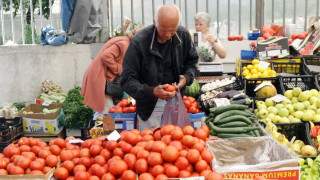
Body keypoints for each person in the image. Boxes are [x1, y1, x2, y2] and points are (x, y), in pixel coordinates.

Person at [120, 5, 199, 131]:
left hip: (175, 101)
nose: (168, 35)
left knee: (175, 143)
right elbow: (126, 80)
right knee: (151, 145)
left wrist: (187, 77)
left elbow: (192, 62)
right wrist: (151, 91)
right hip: (149, 106)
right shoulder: (139, 42)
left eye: (172, 30)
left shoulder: (183, 35)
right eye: (163, 30)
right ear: (154, 22)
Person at [81, 28, 140, 115]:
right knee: (107, 109)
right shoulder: (124, 44)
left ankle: (101, 126)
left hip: (101, 76)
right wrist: (119, 69)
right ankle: (103, 127)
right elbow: (106, 56)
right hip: (100, 78)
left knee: (106, 108)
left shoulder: (124, 41)